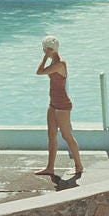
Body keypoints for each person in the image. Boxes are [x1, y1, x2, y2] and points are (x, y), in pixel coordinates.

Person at [34, 36, 83, 179]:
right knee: (51, 135)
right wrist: (48, 57)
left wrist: (45, 57)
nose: (43, 51)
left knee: (66, 136)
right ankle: (50, 167)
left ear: (49, 49)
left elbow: (39, 72)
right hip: (53, 103)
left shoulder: (60, 64)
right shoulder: (54, 62)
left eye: (44, 49)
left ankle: (79, 165)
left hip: (63, 105)